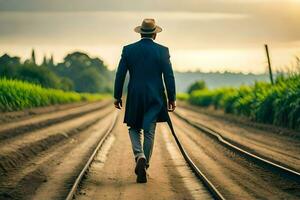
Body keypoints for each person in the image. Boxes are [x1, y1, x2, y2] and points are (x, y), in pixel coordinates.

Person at [113, 18, 176, 183]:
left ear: (140, 32)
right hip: (155, 96)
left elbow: (120, 75)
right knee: (149, 130)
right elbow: (169, 76)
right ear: (155, 34)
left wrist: (117, 96)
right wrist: (172, 98)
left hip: (135, 94)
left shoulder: (128, 50)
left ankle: (139, 155)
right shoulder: (163, 51)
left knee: (134, 128)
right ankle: (145, 165)